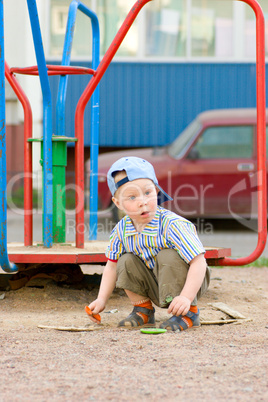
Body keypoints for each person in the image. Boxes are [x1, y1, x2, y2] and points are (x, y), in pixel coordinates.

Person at [87, 156, 210, 331]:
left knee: (167, 254)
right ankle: (142, 309)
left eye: (147, 193)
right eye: (131, 197)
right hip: (157, 283)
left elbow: (199, 262)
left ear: (157, 191)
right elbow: (111, 267)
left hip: (190, 282)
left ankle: (189, 312)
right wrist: (101, 299)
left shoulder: (172, 224)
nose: (142, 202)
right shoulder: (121, 230)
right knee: (125, 260)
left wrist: (186, 297)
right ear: (117, 203)